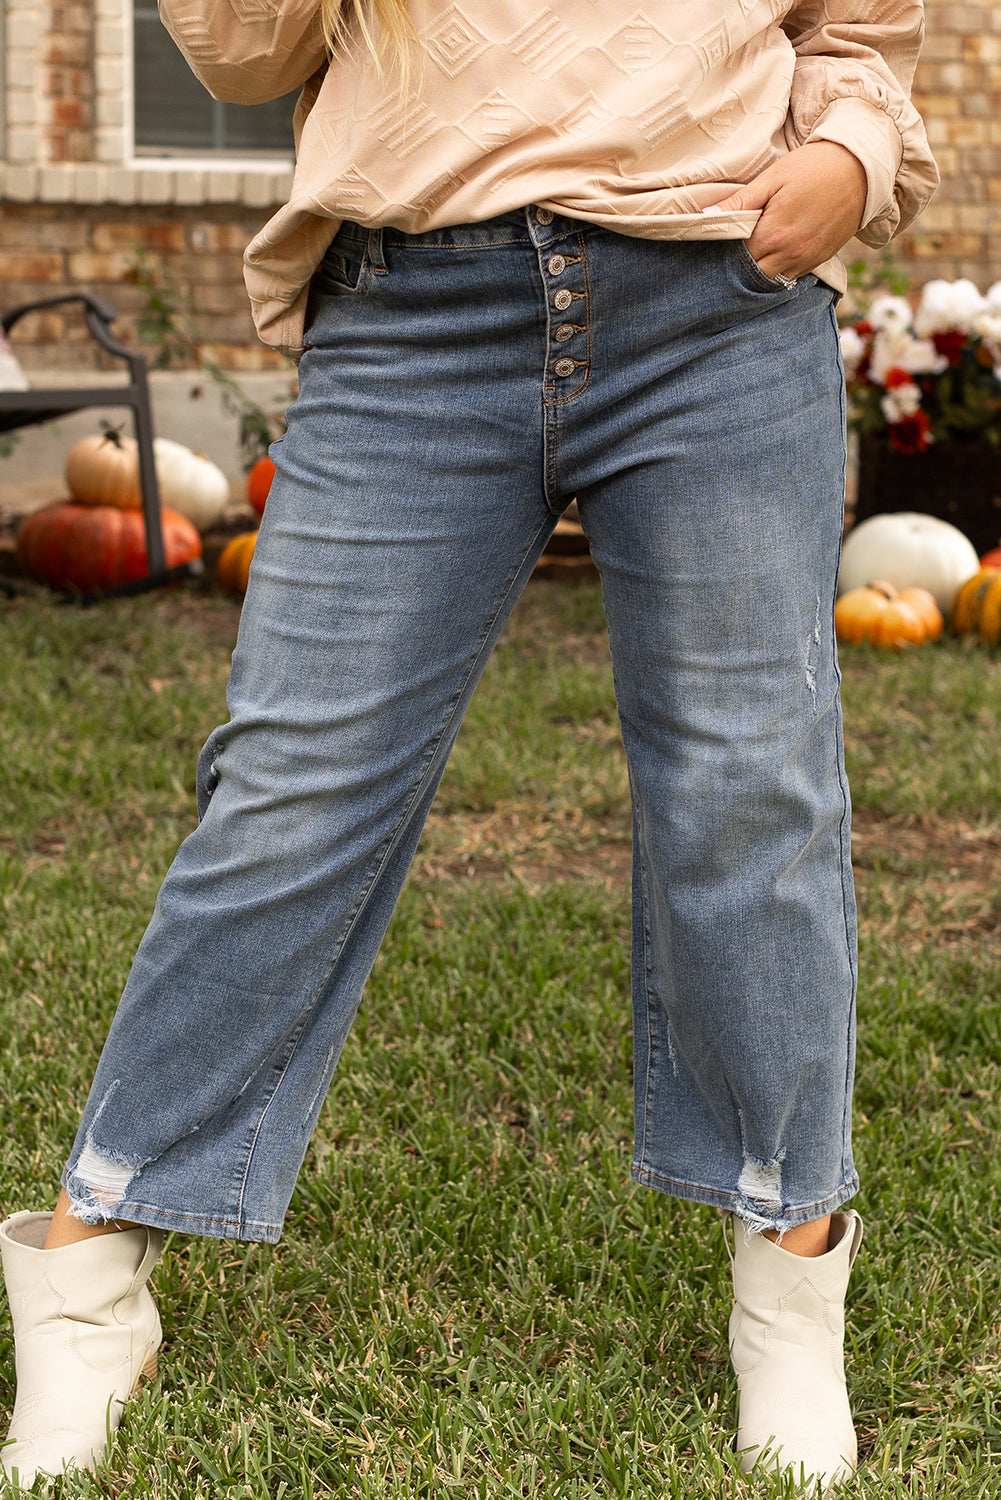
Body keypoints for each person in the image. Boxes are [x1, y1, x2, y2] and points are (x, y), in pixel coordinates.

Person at [1, 0, 937, 1489]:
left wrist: (844, 143)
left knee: (747, 797)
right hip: (411, 306)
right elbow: (244, 53)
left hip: (715, 297)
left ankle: (788, 1275)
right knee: (287, 795)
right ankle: (87, 1274)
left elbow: (862, 28)